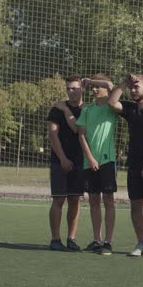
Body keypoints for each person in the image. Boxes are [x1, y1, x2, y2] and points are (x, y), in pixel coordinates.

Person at [55, 74, 119, 256]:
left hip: (107, 160)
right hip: (88, 162)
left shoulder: (110, 106)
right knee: (93, 201)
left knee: (108, 200)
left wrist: (90, 81)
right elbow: (80, 133)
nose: (95, 89)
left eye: (97, 87)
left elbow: (110, 84)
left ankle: (108, 242)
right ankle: (97, 240)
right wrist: (90, 158)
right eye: (92, 88)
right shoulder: (88, 109)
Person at [107, 74, 143, 259]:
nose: (133, 90)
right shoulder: (131, 109)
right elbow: (111, 102)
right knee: (135, 207)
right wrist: (124, 83)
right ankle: (141, 243)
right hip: (134, 164)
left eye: (136, 87)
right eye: (131, 88)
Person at [46, 75, 86, 251]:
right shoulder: (56, 109)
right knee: (58, 200)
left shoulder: (88, 109)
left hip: (79, 161)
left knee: (75, 200)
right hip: (59, 161)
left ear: (82, 89)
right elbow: (53, 136)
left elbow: (78, 130)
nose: (71, 92)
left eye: (74, 88)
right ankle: (55, 239)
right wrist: (62, 159)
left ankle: (71, 238)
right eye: (68, 88)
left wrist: (66, 110)